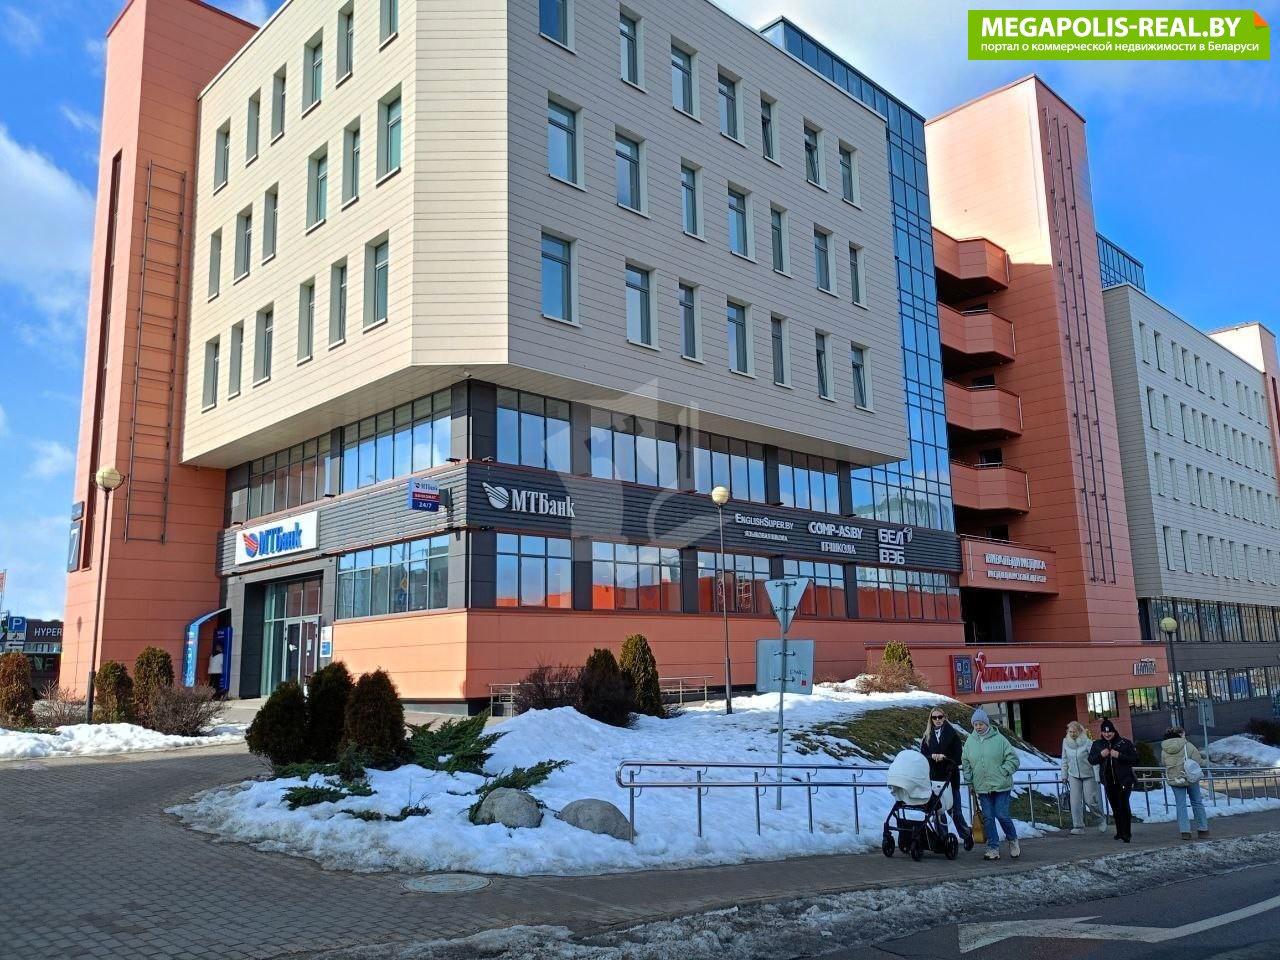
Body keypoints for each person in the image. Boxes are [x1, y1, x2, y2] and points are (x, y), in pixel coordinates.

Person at [961, 708, 1021, 861]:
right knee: (988, 817)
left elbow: (1013, 760)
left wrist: (1003, 771)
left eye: (981, 724)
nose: (978, 727)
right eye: (975, 724)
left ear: (987, 724)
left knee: (1002, 815)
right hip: (982, 786)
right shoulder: (970, 742)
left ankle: (1012, 839)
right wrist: (969, 781)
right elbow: (966, 763)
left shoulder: (1000, 740)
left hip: (1001, 785)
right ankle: (993, 848)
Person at [920, 707, 970, 844]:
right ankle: (943, 840)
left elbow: (958, 755)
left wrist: (945, 757)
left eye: (940, 717)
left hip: (950, 776)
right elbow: (923, 754)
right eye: (934, 717)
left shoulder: (952, 734)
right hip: (934, 777)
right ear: (931, 719)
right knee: (938, 811)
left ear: (944, 717)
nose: (937, 720)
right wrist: (932, 756)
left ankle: (966, 835)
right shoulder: (927, 735)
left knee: (955, 812)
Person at [1089, 718, 1139, 842]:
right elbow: (1091, 760)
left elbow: (1135, 759)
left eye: (1109, 732)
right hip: (1109, 781)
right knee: (1115, 807)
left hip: (1124, 780)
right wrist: (1101, 755)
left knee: (1123, 804)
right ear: (1101, 732)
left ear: (1114, 731)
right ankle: (1119, 831)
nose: (1107, 734)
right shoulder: (1098, 744)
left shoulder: (1124, 743)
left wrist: (1119, 756)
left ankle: (1127, 833)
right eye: (1104, 732)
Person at [1161, 726, 1210, 840]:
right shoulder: (1187, 745)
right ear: (1181, 734)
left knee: (1181, 804)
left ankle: (1185, 832)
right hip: (1190, 777)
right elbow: (1198, 761)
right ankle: (1203, 829)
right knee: (1197, 802)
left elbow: (1164, 763)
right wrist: (1206, 761)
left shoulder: (1164, 748)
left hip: (1175, 779)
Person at [1061, 721, 1108, 835]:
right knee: (1075, 802)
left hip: (1088, 775)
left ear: (1080, 731)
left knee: (1090, 801)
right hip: (1073, 775)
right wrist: (1064, 775)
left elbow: (1095, 760)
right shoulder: (1065, 742)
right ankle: (1078, 826)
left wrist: (1097, 777)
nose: (1072, 734)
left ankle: (1100, 819)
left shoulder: (1087, 742)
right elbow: (1064, 759)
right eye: (1070, 732)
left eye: (1074, 732)